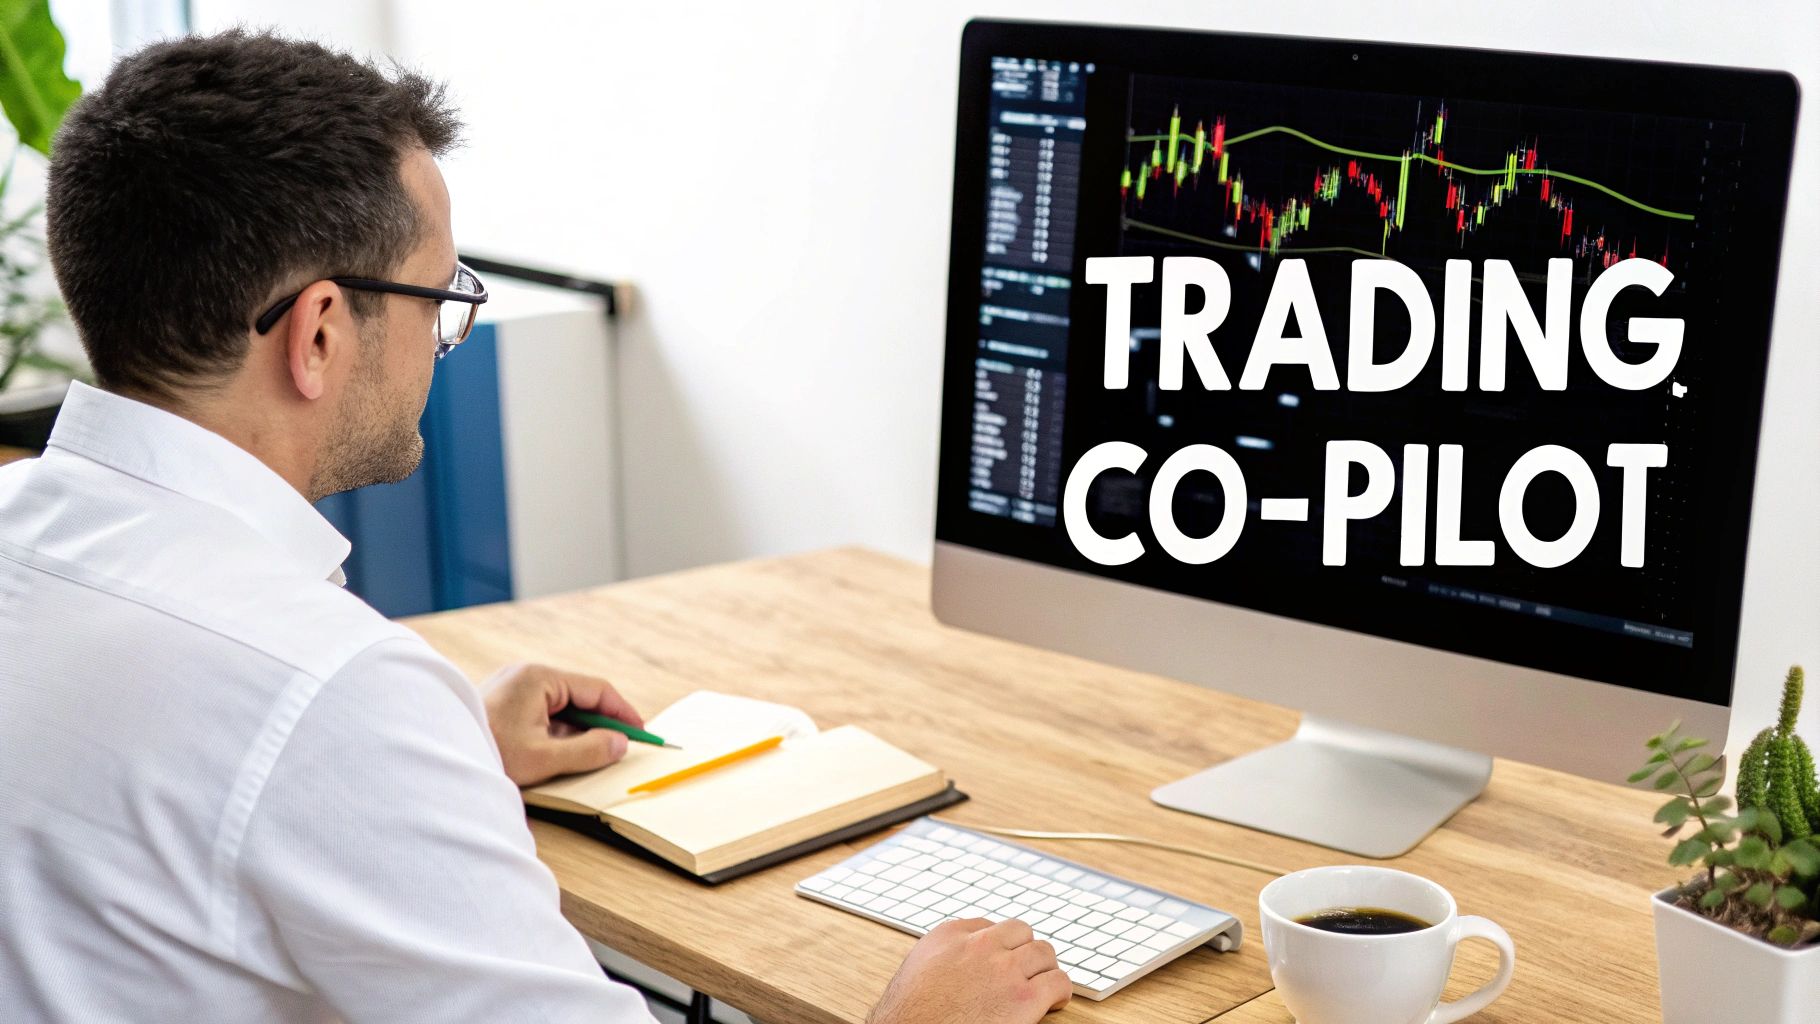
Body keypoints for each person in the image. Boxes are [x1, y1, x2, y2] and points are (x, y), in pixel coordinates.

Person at [0, 30, 1070, 1024]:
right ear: (320, 331)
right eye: (435, 296)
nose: (440, 337)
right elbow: (285, 727)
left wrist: (441, 743)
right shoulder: (329, 691)